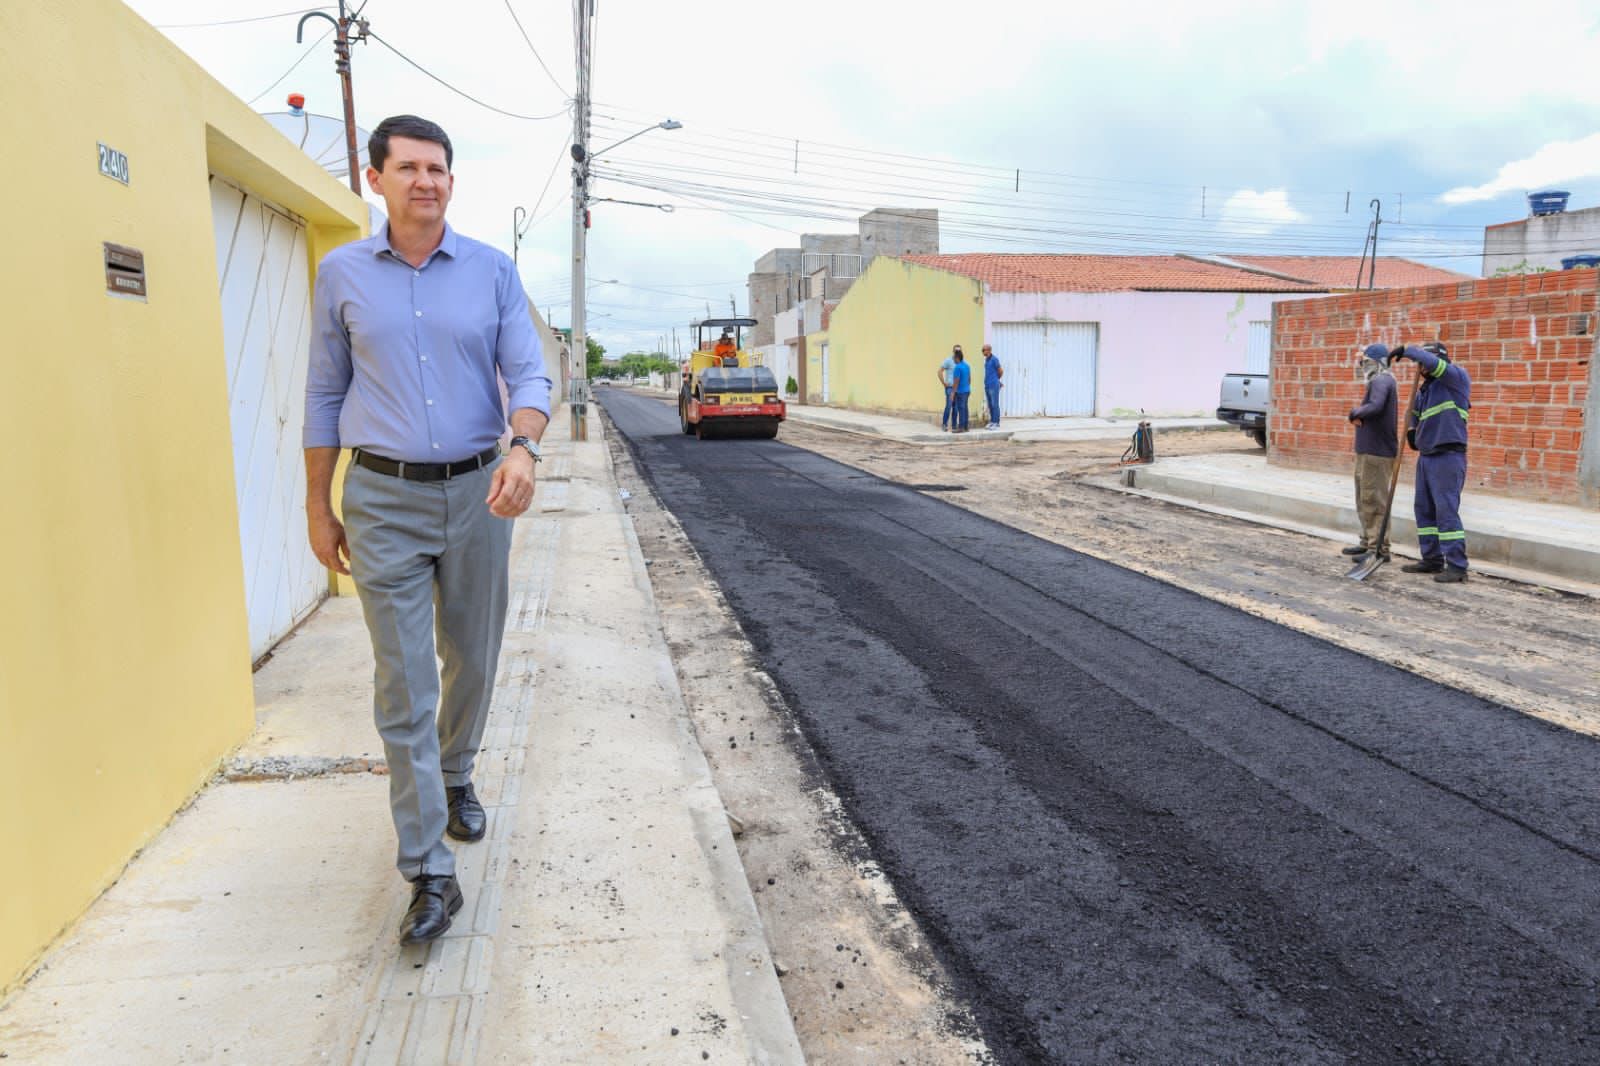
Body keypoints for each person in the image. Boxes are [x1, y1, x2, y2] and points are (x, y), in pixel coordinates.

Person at [303, 115, 552, 945]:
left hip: (482, 491)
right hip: (381, 497)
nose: (425, 181)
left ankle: (455, 774)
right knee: (404, 681)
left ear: (452, 179)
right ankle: (428, 871)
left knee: (472, 655)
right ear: (375, 178)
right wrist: (317, 506)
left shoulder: (491, 272)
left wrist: (523, 447)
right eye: (407, 167)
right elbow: (322, 398)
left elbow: (529, 369)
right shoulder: (341, 274)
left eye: (437, 168)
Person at [1391, 340, 1470, 582]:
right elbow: (1413, 414)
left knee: (1446, 511)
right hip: (1427, 457)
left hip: (1448, 456)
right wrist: (1413, 429)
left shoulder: (1455, 378)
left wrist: (1408, 351)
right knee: (1424, 510)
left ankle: (1457, 566)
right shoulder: (1424, 390)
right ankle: (1432, 559)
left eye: (1421, 363)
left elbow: (1432, 363)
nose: (1420, 368)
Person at [1343, 343, 1398, 562]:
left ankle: (1378, 549)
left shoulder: (1382, 380)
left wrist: (1354, 413)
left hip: (1377, 453)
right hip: (1368, 451)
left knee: (1373, 500)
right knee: (1364, 498)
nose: (1363, 366)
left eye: (1365, 362)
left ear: (1375, 363)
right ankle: (1367, 542)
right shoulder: (1379, 381)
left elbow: (1375, 406)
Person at [982, 344, 1004, 429]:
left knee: (995, 404)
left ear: (989, 350)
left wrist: (996, 380)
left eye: (984, 350)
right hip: (987, 385)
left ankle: (996, 423)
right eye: (982, 350)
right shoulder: (987, 360)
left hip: (993, 385)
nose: (983, 352)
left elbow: (1001, 371)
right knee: (990, 404)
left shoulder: (994, 359)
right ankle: (992, 421)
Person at [950, 349, 972, 432]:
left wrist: (952, 393)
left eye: (953, 357)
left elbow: (956, 381)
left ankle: (961, 427)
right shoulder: (967, 366)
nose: (953, 359)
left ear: (957, 358)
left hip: (960, 392)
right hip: (967, 390)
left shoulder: (957, 367)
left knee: (961, 409)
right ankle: (966, 427)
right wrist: (966, 386)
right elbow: (969, 379)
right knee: (965, 408)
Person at [938, 346, 959, 431]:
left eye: (959, 350)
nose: (957, 352)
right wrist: (944, 383)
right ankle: (944, 424)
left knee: (956, 407)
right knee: (949, 406)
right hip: (950, 388)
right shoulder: (948, 361)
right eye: (956, 350)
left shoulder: (961, 362)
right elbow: (939, 371)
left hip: (958, 388)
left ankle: (954, 426)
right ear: (953, 351)